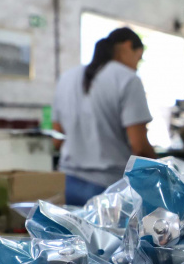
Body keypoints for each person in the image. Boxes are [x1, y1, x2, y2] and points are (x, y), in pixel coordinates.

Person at [53, 27, 157, 205]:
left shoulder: (66, 78)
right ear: (127, 46)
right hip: (108, 190)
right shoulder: (128, 79)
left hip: (65, 183)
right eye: (138, 58)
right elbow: (139, 147)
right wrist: (161, 172)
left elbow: (56, 139)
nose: (136, 65)